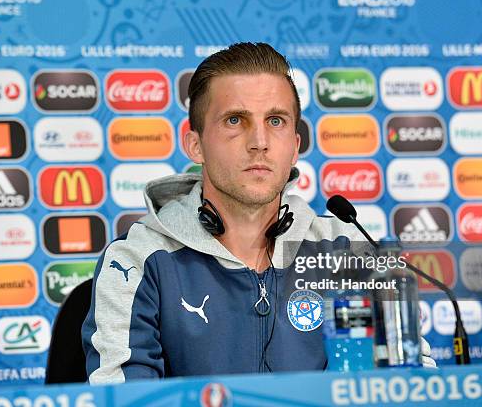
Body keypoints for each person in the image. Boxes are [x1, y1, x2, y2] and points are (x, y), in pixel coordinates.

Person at [82, 42, 434, 384]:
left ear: (295, 147)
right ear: (195, 144)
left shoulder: (350, 251)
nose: (259, 141)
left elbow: (412, 385)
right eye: (235, 120)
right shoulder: (136, 261)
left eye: (276, 121)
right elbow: (126, 399)